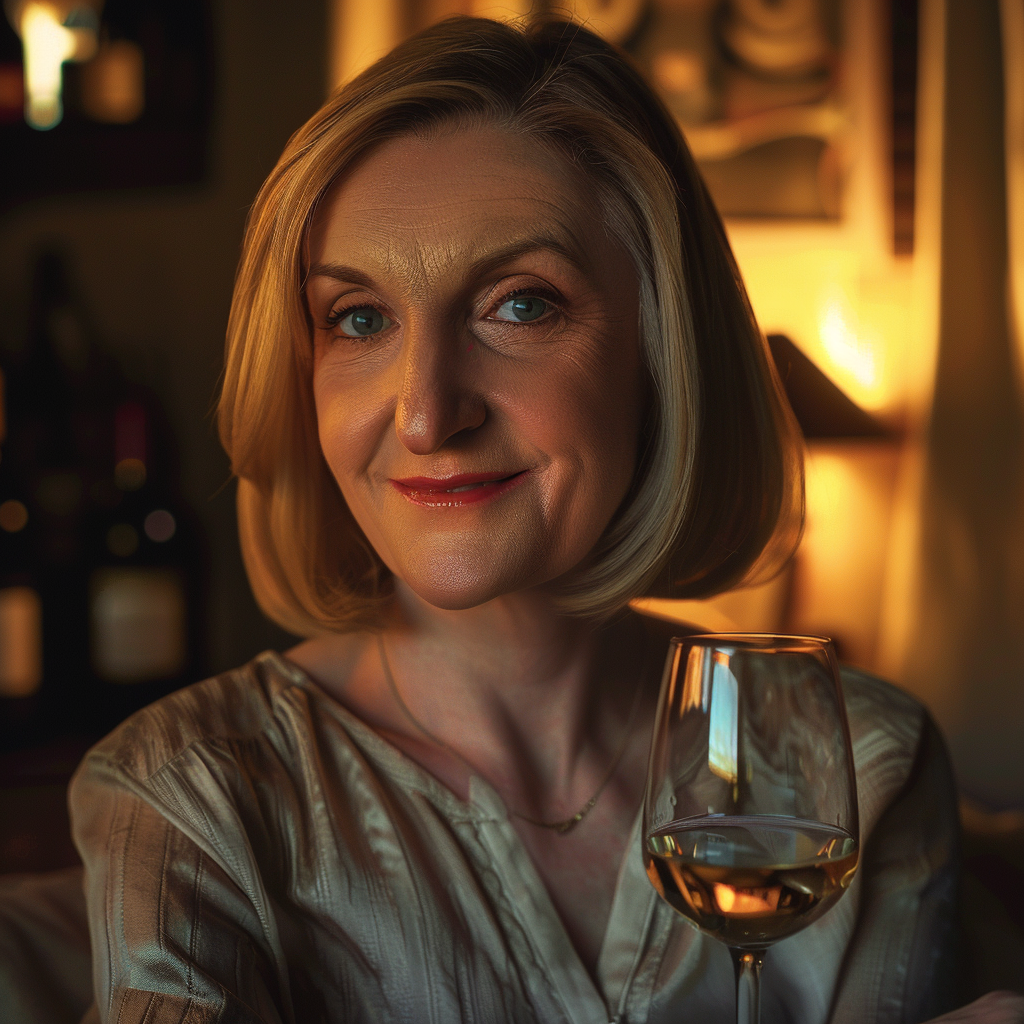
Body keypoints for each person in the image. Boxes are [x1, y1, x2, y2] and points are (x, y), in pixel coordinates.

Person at [63, 14, 1021, 1024]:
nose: (428, 413)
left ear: (662, 352)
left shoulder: (861, 767)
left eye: (519, 305)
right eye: (358, 317)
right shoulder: (188, 794)